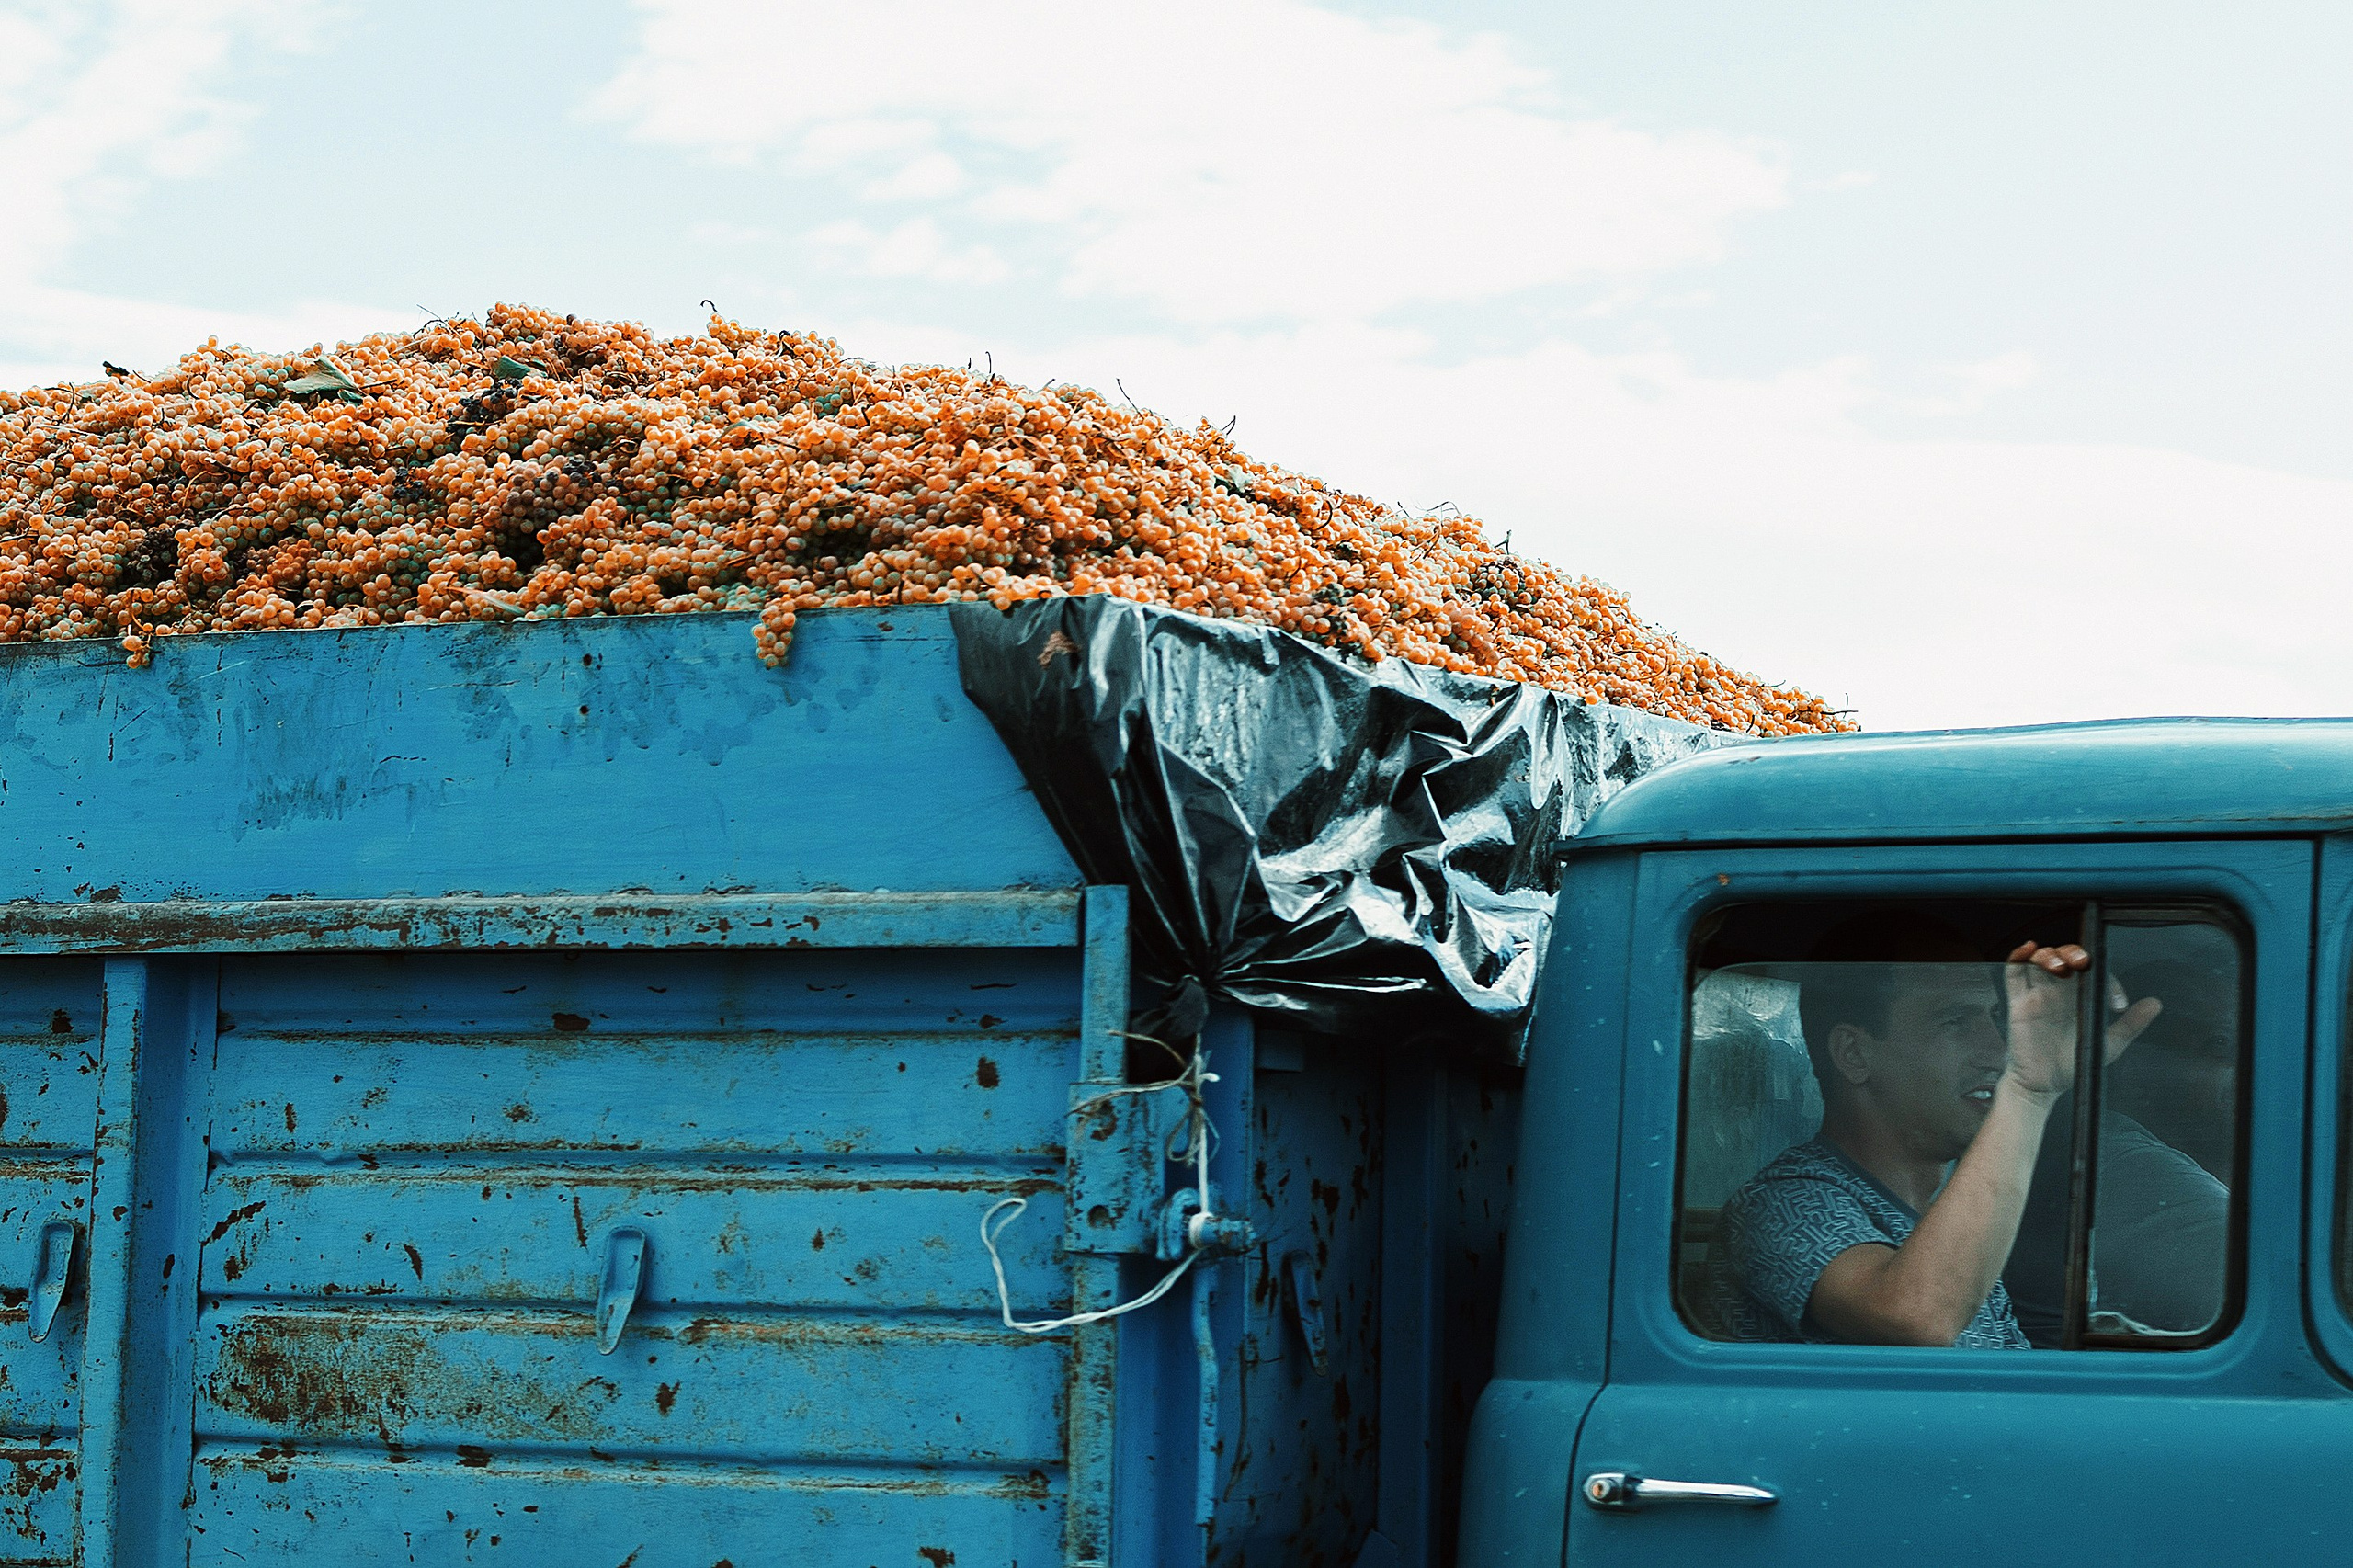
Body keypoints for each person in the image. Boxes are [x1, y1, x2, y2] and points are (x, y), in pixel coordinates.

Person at [1704, 914, 2159, 1346]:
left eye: (1993, 1020)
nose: (1997, 1050)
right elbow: (1914, 1316)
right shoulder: (1781, 1205)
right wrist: (2029, 1091)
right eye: (1954, 1021)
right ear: (1854, 1054)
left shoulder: (1943, 1216)